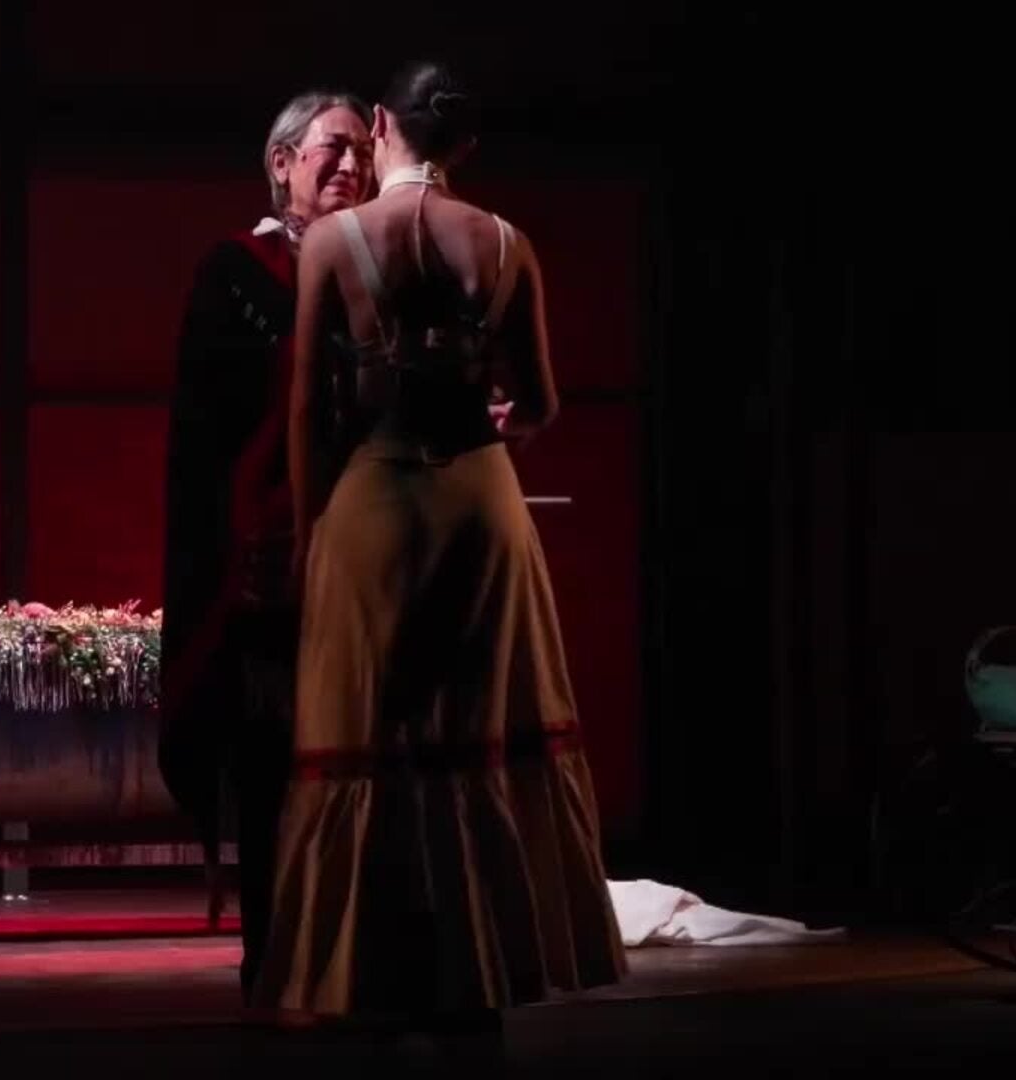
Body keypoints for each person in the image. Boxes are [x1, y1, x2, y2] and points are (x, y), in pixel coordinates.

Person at [251, 61, 628, 1028]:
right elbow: (540, 402)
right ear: (464, 146)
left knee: (366, 734)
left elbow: (306, 406)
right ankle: (483, 974)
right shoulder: (506, 243)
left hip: (374, 498)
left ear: (382, 124)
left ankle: (361, 978)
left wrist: (308, 529)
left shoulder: (332, 242)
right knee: (479, 734)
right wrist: (500, 423)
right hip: (481, 503)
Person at [158, 89, 373, 1001]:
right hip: (271, 566)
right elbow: (203, 439)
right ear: (282, 164)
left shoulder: (385, 269)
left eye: (362, 150)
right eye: (332, 148)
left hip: (367, 565)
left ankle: (362, 962)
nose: (350, 165)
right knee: (274, 765)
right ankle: (274, 961)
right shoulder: (235, 276)